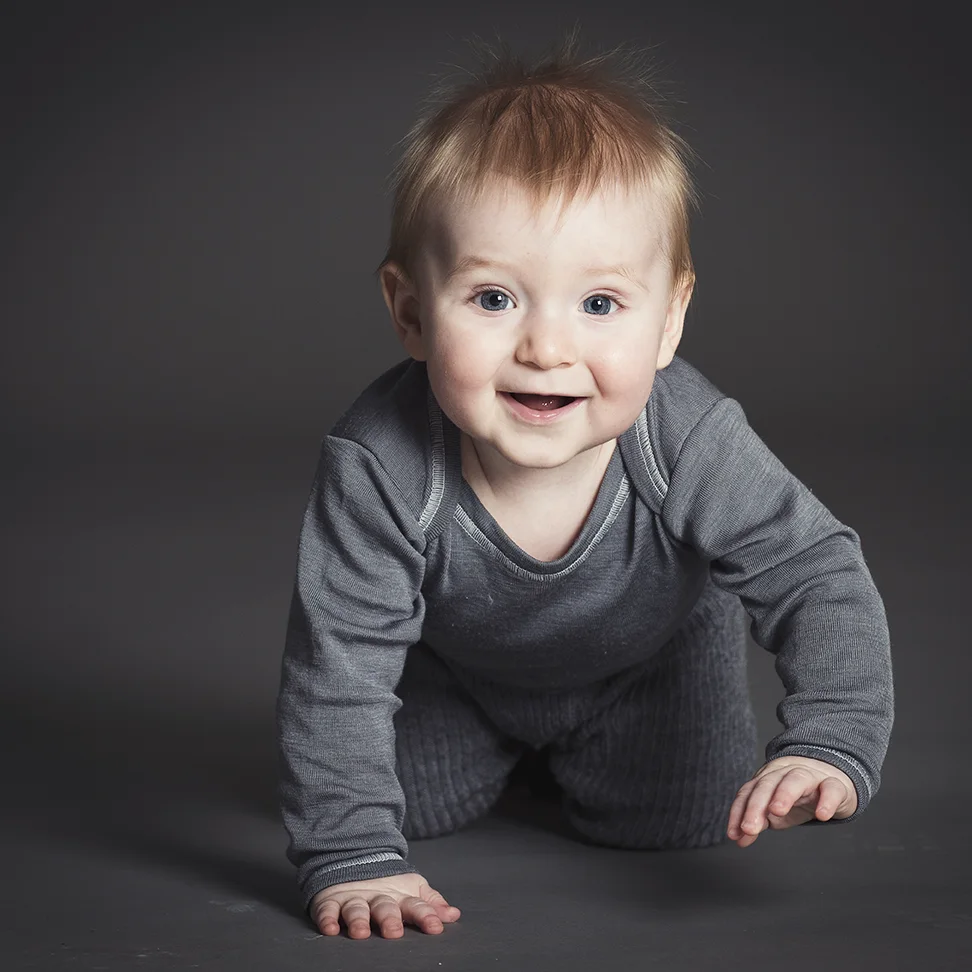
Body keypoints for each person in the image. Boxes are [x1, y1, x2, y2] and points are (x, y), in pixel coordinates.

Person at [275, 29, 894, 942]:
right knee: (409, 819)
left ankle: (586, 755)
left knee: (685, 827)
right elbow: (338, 668)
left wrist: (830, 738)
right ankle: (503, 757)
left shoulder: (685, 436)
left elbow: (817, 573)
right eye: (494, 298)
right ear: (410, 312)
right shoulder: (382, 462)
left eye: (599, 304)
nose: (547, 348)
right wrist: (352, 851)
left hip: (653, 672)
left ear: (670, 318)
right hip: (456, 677)